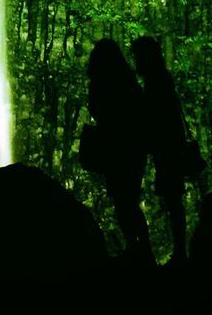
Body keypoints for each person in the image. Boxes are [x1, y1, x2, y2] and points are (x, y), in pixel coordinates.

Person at [84, 39, 151, 259]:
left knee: (123, 201)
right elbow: (140, 111)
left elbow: (95, 109)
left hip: (115, 148)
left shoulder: (99, 81)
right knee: (128, 200)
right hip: (133, 148)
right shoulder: (128, 81)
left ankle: (136, 247)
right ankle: (142, 248)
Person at [131, 35, 195, 265]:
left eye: (138, 56)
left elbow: (157, 117)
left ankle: (180, 252)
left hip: (168, 149)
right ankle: (180, 251)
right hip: (169, 147)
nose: (136, 62)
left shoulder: (156, 82)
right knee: (173, 199)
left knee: (173, 199)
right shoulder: (160, 79)